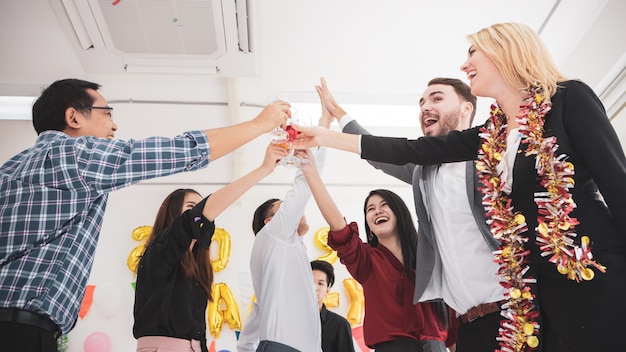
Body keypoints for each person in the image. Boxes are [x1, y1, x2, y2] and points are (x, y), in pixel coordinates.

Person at [296, 22, 626, 352]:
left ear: (504, 49)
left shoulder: (568, 98)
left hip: (593, 273)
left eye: (472, 52)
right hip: (539, 301)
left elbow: (617, 184)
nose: (464, 64)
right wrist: (328, 135)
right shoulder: (489, 137)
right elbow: (408, 150)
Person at [0, 78, 289, 352]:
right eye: (107, 113)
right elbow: (179, 152)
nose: (114, 126)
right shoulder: (72, 155)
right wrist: (259, 125)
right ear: (74, 117)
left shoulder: (9, 170)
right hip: (19, 331)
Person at [316, 77, 503, 351]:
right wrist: (339, 114)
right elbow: (379, 155)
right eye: (422, 102)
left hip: (510, 311)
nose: (426, 107)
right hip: (469, 327)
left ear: (466, 109)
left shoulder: (490, 157)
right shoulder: (422, 172)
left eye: (437, 99)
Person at [133, 143, 287, 352]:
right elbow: (202, 214)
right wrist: (263, 169)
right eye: (190, 207)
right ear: (173, 214)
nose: (199, 214)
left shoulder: (197, 270)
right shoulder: (158, 253)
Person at [299, 150, 449, 352]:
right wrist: (311, 172)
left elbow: (451, 322)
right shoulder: (366, 260)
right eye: (370, 209)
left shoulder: (428, 254)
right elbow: (338, 227)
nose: (377, 211)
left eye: (384, 205)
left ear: (400, 213)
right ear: (369, 226)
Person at [236, 116, 330, 352]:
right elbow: (304, 184)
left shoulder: (286, 252)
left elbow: (255, 321)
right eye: (283, 207)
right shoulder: (272, 234)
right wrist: (322, 127)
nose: (294, 211)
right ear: (269, 221)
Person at [310, 260, 355, 352]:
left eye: (320, 283)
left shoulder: (340, 325)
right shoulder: (287, 320)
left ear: (327, 290)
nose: (314, 288)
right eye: (310, 281)